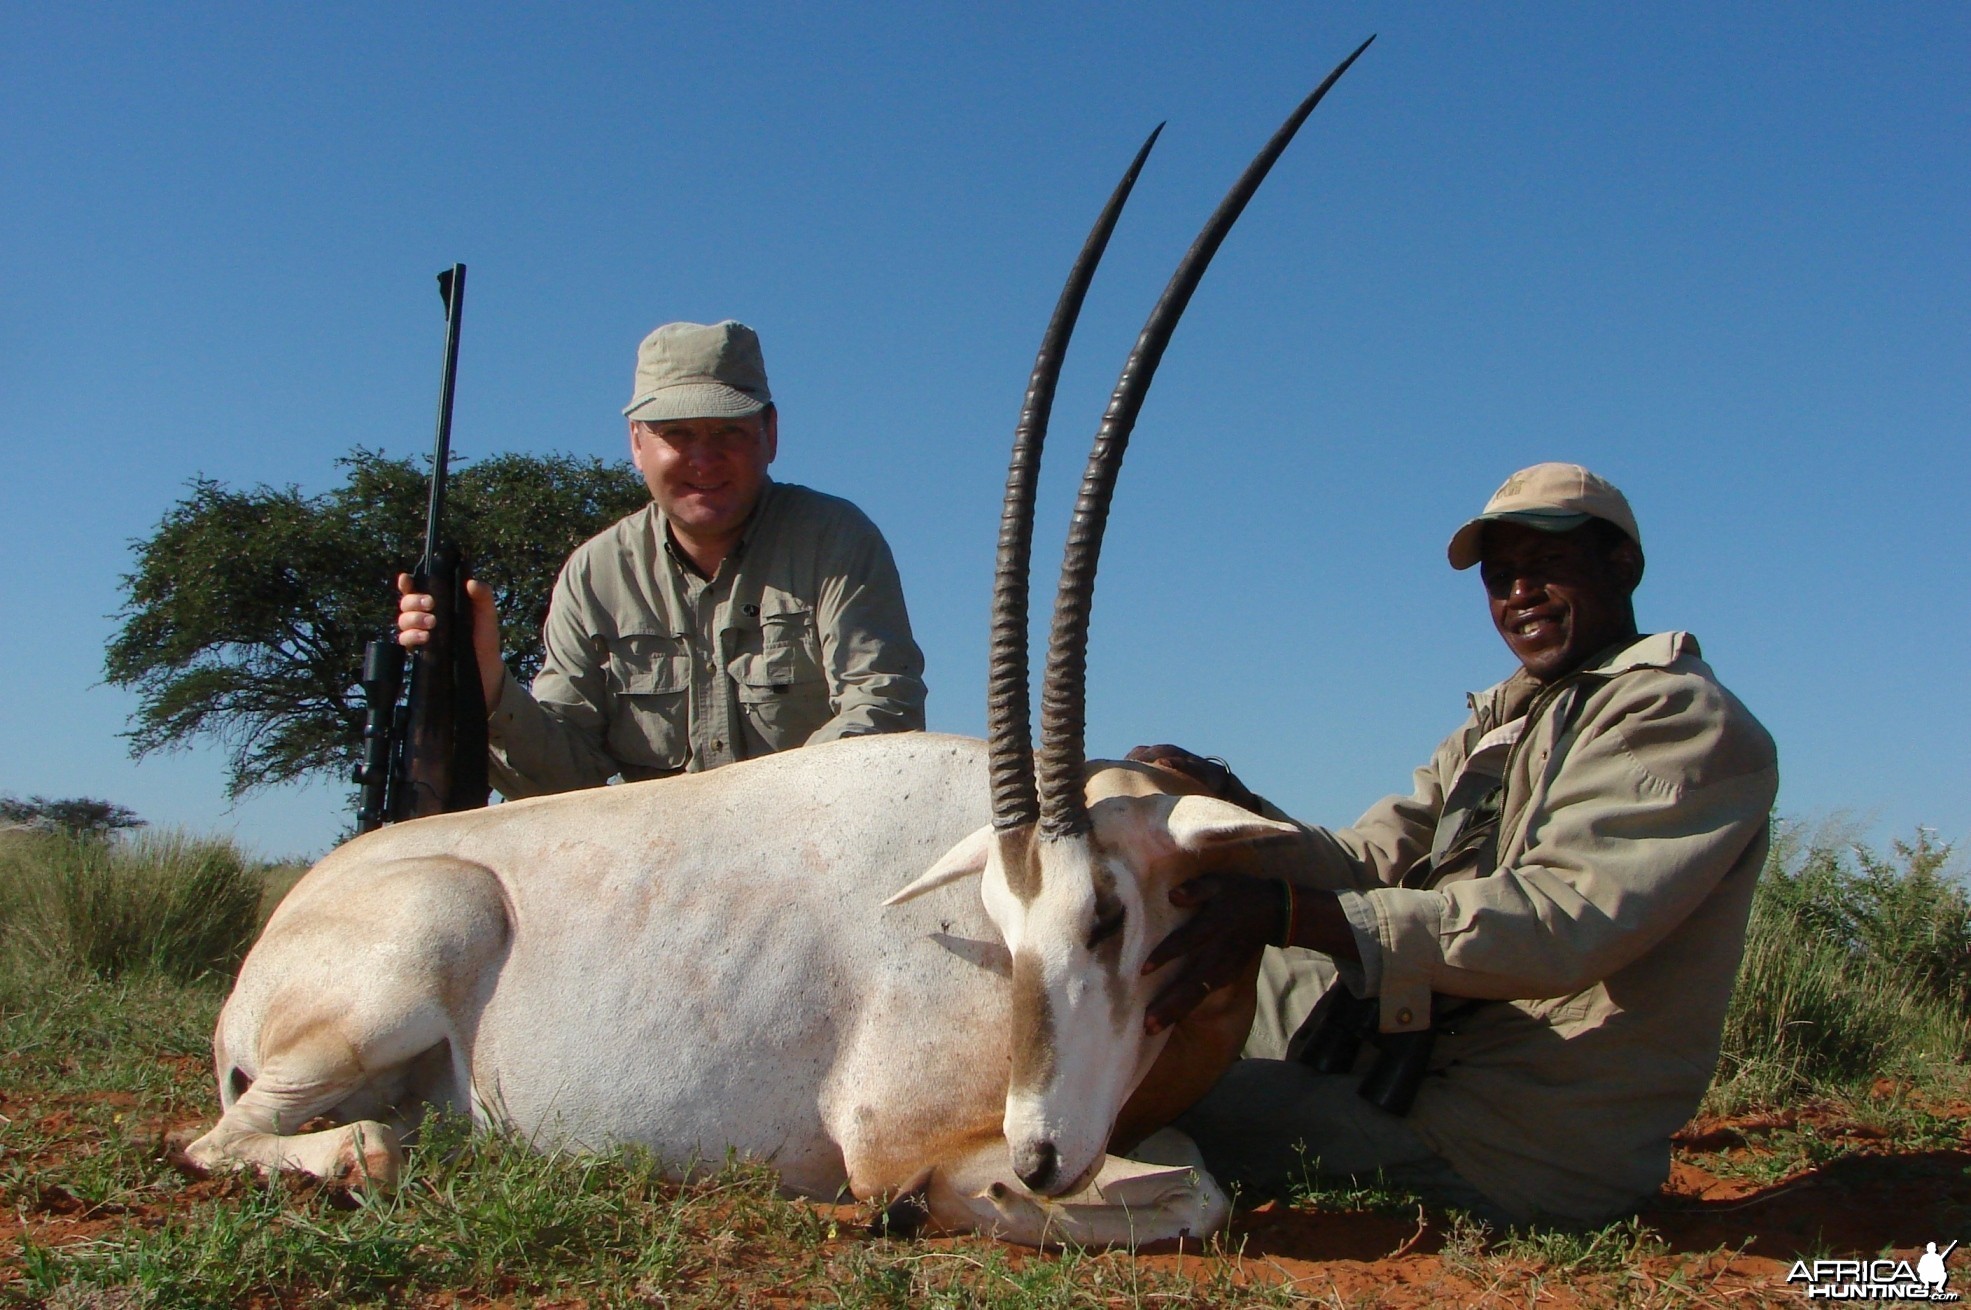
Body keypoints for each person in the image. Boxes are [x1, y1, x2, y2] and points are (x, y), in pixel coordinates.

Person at [1137, 462, 1778, 1226]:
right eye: (1500, 576)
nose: (1518, 594)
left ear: (1622, 565)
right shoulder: (1507, 719)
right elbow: (1367, 861)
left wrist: (1278, 913)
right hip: (1408, 1050)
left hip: (1509, 1133)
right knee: (1151, 991)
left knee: (1155, 1101)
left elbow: (1553, 923)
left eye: (1546, 566)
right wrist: (1232, 807)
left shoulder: (1678, 721)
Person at [398, 319, 927, 798]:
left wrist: (765, 817)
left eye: (728, 432)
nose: (703, 459)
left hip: (804, 845)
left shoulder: (835, 539)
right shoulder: (593, 574)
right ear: (637, 443)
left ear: (770, 434)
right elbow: (566, 777)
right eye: (676, 433)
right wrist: (486, 681)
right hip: (650, 869)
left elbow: (883, 708)